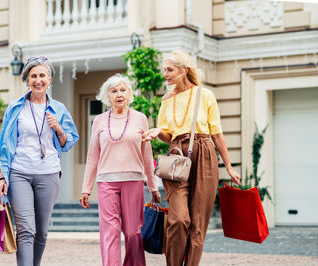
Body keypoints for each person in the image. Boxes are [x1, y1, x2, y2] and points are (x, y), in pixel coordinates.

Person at [142, 50, 241, 266]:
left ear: (183, 70)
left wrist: (229, 167)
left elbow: (217, 133)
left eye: (169, 70)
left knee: (198, 224)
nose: (165, 74)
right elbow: (169, 137)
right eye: (164, 70)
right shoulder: (167, 99)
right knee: (178, 219)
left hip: (205, 153)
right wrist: (157, 132)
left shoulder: (204, 95)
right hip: (177, 157)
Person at [0, 56, 79, 266]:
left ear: (49, 79)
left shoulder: (59, 109)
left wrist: (58, 128)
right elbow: (5, 146)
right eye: (33, 76)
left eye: (42, 75)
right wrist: (3, 177)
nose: (38, 80)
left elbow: (68, 143)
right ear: (27, 80)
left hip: (48, 173)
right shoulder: (15, 108)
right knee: (26, 229)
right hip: (19, 172)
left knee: (41, 231)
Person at [79, 74, 161, 266]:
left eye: (123, 90)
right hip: (106, 181)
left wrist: (153, 185)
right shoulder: (99, 121)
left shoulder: (140, 119)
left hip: (133, 180)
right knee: (110, 231)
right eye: (114, 91)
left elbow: (147, 155)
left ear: (129, 93)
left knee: (133, 233)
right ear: (107, 96)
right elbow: (92, 156)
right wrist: (86, 187)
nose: (119, 94)